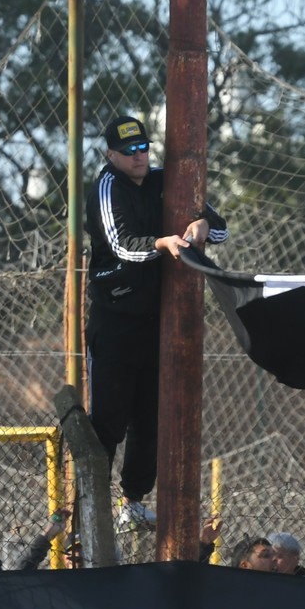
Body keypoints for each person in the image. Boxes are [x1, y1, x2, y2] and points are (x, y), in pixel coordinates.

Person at [85, 114, 229, 527]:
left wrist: (202, 225)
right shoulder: (106, 187)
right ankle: (90, 509)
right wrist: (161, 243)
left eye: (143, 148)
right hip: (114, 319)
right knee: (108, 421)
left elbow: (219, 229)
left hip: (156, 322)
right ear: (110, 154)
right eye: (128, 151)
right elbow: (121, 245)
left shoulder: (167, 179)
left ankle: (131, 501)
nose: (138, 157)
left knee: (150, 418)